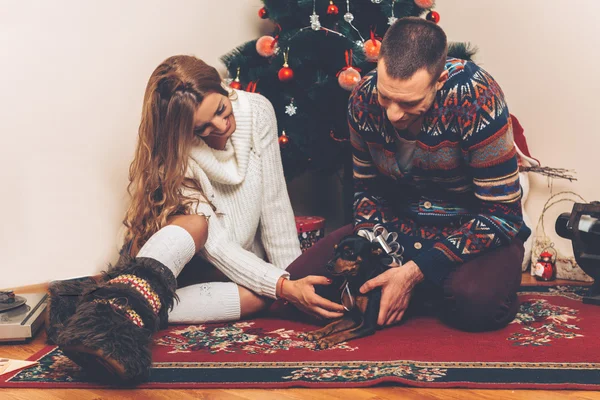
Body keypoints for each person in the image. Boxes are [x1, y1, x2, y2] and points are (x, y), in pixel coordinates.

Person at [52, 55, 344, 383]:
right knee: (198, 224)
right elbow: (216, 246)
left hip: (225, 265)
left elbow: (274, 203)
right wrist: (285, 286)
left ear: (223, 89)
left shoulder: (258, 110)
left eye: (220, 110)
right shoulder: (177, 156)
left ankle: (96, 302)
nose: (220, 127)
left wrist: (291, 281)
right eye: (202, 128)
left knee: (264, 296)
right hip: (175, 259)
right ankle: (115, 317)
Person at [343, 17, 531, 332]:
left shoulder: (475, 96)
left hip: (474, 233)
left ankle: (431, 287)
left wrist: (415, 271)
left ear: (440, 81)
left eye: (409, 102)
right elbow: (367, 192)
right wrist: (374, 250)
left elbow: (502, 215)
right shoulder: (362, 98)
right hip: (398, 231)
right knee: (317, 282)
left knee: (477, 304)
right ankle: (429, 290)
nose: (393, 113)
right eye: (385, 96)